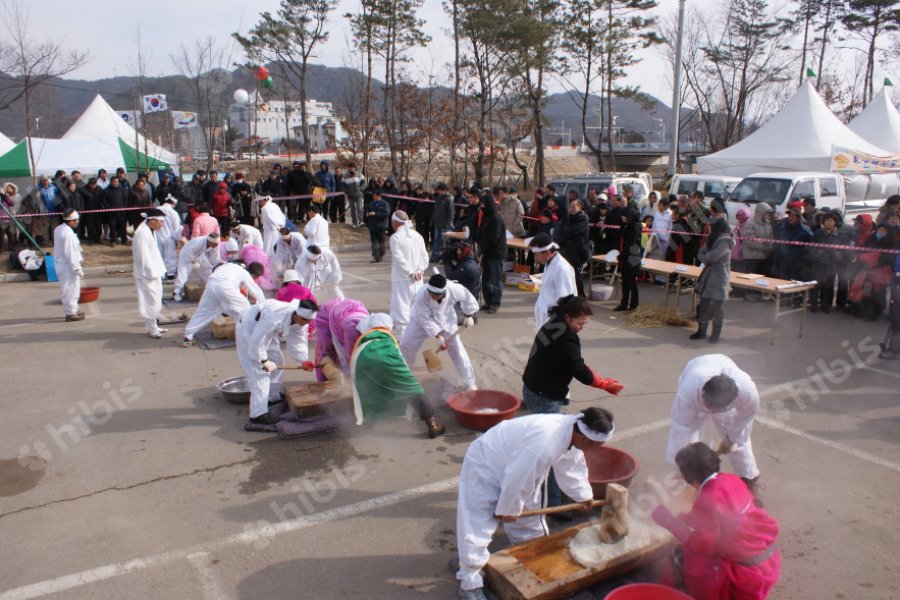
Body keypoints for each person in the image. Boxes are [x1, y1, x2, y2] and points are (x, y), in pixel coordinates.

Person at [455, 407, 616, 600]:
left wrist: (582, 495)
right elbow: (517, 478)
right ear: (584, 439)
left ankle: (527, 555)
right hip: (487, 461)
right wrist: (509, 509)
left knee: (529, 515)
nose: (598, 450)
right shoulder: (546, 443)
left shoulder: (571, 432)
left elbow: (570, 462)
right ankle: (469, 580)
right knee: (478, 520)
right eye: (598, 446)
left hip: (519, 464)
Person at [522, 295, 623, 507]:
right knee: (552, 451)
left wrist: (599, 378)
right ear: (568, 317)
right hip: (544, 395)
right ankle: (553, 503)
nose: (581, 328)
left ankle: (548, 491)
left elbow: (575, 364)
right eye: (580, 323)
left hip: (535, 387)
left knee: (545, 443)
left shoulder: (555, 323)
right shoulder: (567, 338)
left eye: (585, 324)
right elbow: (579, 370)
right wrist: (604, 384)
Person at [652, 442, 781, 600]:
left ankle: (666, 594)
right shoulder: (732, 479)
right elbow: (726, 517)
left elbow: (700, 545)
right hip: (769, 563)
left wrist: (669, 522)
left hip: (747, 577)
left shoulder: (707, 499)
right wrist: (688, 518)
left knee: (679, 556)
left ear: (690, 478)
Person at [666, 354, 761, 490]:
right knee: (688, 442)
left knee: (740, 442)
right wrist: (683, 465)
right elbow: (682, 429)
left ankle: (749, 479)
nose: (712, 411)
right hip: (696, 371)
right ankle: (685, 482)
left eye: (717, 408)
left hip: (722, 367)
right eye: (709, 405)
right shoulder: (688, 392)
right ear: (704, 393)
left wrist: (731, 439)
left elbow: (744, 419)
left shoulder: (748, 393)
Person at [350, 313, 446, 438]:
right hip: (388, 355)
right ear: (388, 326)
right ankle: (432, 425)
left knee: (368, 389)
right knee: (413, 389)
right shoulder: (388, 339)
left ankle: (368, 423)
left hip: (361, 356)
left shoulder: (367, 335)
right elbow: (401, 362)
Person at [237, 299, 318, 427]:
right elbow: (257, 340)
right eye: (306, 321)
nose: (307, 324)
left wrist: (303, 360)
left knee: (277, 361)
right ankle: (258, 415)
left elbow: (298, 341)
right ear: (297, 316)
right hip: (250, 327)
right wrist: (263, 360)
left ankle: (271, 397)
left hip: (268, 332)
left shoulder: (302, 319)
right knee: (260, 372)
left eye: (309, 321)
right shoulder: (274, 316)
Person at [400, 273, 480, 391]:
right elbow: (425, 319)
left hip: (446, 319)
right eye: (431, 293)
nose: (432, 297)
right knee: (407, 345)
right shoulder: (421, 295)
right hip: (419, 322)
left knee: (457, 349)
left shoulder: (454, 289)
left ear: (444, 291)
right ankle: (402, 376)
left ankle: (470, 382)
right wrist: (438, 337)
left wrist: (469, 315)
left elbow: (468, 298)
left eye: (436, 295)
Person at [182, 262, 266, 347]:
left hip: (211, 284)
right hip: (225, 285)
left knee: (203, 312)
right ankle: (251, 339)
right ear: (253, 273)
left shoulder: (229, 266)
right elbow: (256, 291)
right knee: (247, 311)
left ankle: (187, 336)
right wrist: (264, 307)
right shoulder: (244, 272)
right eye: (256, 277)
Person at [691, 217, 734, 343]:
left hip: (719, 278)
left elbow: (712, 257)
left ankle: (716, 334)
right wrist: (706, 257)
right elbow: (700, 254)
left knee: (717, 308)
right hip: (708, 277)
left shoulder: (726, 241)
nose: (708, 228)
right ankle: (701, 331)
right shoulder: (711, 239)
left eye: (711, 226)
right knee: (703, 305)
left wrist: (706, 257)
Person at [389, 210, 429, 339]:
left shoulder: (395, 238)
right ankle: (413, 338)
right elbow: (425, 257)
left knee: (400, 313)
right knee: (415, 311)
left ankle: (402, 342)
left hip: (402, 280)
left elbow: (399, 259)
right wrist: (419, 271)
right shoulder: (418, 236)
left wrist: (411, 273)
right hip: (418, 280)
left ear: (395, 223)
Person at [529, 232, 577, 329]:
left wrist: (556, 324)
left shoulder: (562, 269)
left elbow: (566, 299)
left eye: (537, 254)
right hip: (546, 318)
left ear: (547, 252)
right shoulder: (549, 262)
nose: (536, 258)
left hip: (555, 322)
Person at [133, 208, 168, 338]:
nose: (162, 225)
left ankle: (152, 325)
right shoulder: (142, 233)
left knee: (155, 300)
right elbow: (143, 256)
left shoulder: (149, 230)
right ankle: (152, 328)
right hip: (147, 274)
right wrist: (152, 273)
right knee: (151, 301)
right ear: (152, 220)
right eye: (160, 222)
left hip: (154, 272)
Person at [313, 297, 369, 379]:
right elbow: (349, 356)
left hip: (343, 313)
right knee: (327, 353)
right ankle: (326, 380)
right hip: (329, 318)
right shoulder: (350, 327)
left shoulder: (369, 325)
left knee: (352, 354)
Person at [554, 198, 591, 298]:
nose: (572, 209)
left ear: (580, 207)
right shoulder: (567, 217)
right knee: (567, 275)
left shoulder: (583, 218)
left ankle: (581, 297)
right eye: (570, 207)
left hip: (578, 251)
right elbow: (560, 230)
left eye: (574, 207)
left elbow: (572, 231)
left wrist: (565, 231)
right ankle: (569, 296)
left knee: (576, 275)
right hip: (567, 251)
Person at [477, 193, 506, 313]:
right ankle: (488, 301)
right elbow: (481, 234)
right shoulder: (486, 217)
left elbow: (494, 238)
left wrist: (484, 248)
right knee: (486, 280)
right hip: (486, 253)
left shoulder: (496, 219)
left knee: (495, 280)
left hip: (495, 254)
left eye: (483, 204)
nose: (481, 207)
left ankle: (495, 303)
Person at [53, 208, 85, 321]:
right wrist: (76, 268)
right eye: (76, 220)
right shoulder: (68, 234)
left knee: (70, 288)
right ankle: (71, 312)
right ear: (71, 221)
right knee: (71, 289)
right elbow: (70, 252)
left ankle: (73, 309)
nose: (78, 222)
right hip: (68, 266)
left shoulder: (59, 229)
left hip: (62, 264)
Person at [172, 233, 222, 302]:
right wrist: (194, 261)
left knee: (207, 270)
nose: (216, 245)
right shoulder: (199, 242)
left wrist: (216, 266)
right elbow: (189, 251)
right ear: (210, 242)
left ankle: (213, 289)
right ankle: (176, 292)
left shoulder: (214, 244)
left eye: (217, 244)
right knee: (183, 275)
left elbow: (215, 256)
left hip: (198, 256)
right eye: (215, 244)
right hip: (186, 257)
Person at [614, 207, 643, 312]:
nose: (622, 217)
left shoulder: (635, 226)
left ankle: (634, 305)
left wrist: (622, 255)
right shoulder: (628, 225)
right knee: (625, 281)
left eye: (624, 216)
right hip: (627, 256)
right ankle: (624, 303)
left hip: (632, 257)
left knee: (631, 282)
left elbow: (631, 243)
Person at [158, 195, 182, 280]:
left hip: (157, 236)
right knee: (170, 255)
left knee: (158, 255)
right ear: (173, 203)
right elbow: (176, 228)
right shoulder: (173, 213)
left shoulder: (156, 209)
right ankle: (170, 273)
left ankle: (160, 274)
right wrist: (178, 240)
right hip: (169, 237)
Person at [430, 182, 455, 261]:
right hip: (438, 224)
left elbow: (451, 213)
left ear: (444, 190)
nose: (438, 191)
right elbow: (435, 211)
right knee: (436, 240)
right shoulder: (438, 199)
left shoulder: (448, 199)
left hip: (445, 225)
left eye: (440, 190)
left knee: (446, 241)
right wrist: (432, 221)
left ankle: (446, 257)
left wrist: (448, 223)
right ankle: (435, 256)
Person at [365, 189, 390, 263]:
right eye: (373, 196)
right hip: (372, 225)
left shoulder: (385, 204)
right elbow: (368, 211)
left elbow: (386, 214)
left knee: (381, 242)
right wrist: (367, 215)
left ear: (379, 196)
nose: (373, 197)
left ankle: (381, 254)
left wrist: (376, 214)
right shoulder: (371, 203)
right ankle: (375, 257)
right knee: (374, 242)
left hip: (381, 226)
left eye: (375, 196)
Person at [343, 162, 366, 228]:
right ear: (348, 168)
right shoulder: (345, 176)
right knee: (352, 209)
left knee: (360, 208)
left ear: (355, 168)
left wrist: (360, 189)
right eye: (350, 167)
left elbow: (364, 183)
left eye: (352, 167)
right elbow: (343, 185)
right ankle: (354, 222)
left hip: (358, 195)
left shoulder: (359, 174)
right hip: (350, 196)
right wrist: (347, 191)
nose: (351, 169)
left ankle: (361, 221)